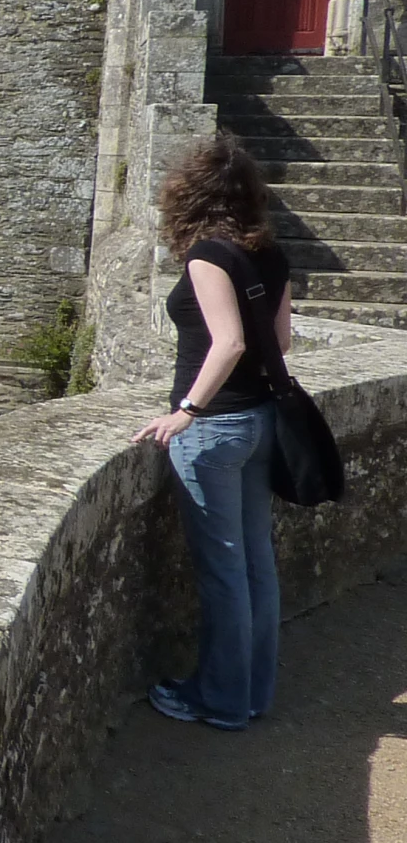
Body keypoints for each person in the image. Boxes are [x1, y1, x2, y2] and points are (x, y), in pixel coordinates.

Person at [132, 134, 293, 731]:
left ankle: (220, 700)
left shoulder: (207, 254)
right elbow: (280, 343)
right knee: (256, 565)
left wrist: (187, 412)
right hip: (260, 420)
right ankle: (252, 693)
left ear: (189, 196)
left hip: (216, 429)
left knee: (225, 571)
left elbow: (230, 341)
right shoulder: (270, 253)